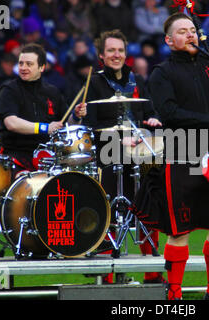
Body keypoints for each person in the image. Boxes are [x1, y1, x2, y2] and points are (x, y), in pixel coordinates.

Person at [131, 12, 209, 300]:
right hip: (182, 155)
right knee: (180, 231)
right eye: (182, 31)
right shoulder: (162, 72)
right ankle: (173, 294)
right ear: (168, 39)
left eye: (192, 30)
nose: (190, 35)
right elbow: (167, 112)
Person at [82, 29, 163, 284]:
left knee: (149, 208)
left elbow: (151, 112)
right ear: (101, 56)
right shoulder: (93, 83)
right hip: (108, 154)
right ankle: (107, 275)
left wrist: (153, 120)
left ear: (125, 54)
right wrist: (118, 138)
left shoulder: (136, 80)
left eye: (120, 50)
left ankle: (153, 273)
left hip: (138, 154)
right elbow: (91, 126)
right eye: (111, 51)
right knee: (108, 211)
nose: (116, 55)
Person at [0, 43, 86, 180]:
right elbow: (11, 123)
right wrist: (45, 127)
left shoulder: (52, 92)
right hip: (16, 158)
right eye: (21, 63)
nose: (23, 68)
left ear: (42, 67)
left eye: (29, 64)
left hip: (48, 159)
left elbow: (66, 125)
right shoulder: (9, 90)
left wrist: (76, 115)